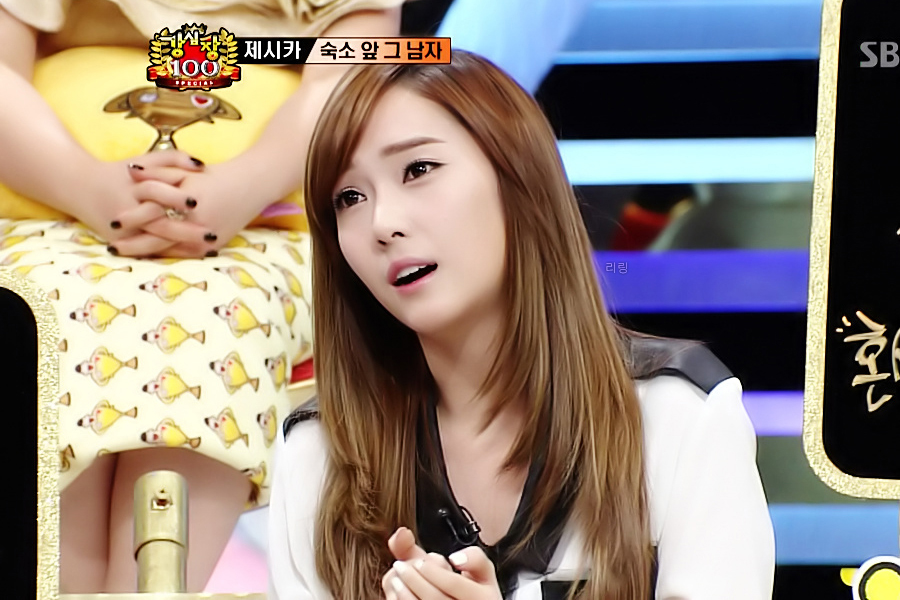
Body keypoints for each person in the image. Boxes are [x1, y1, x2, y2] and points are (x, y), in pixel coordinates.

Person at [268, 50, 775, 599]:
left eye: (418, 170)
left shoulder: (677, 414)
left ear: (518, 176)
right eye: (349, 198)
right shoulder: (316, 453)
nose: (382, 223)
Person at [0, 0, 407, 593]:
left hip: (264, 228)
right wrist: (88, 187)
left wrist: (238, 188)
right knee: (41, 320)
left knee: (213, 319)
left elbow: (351, 73)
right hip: (46, 215)